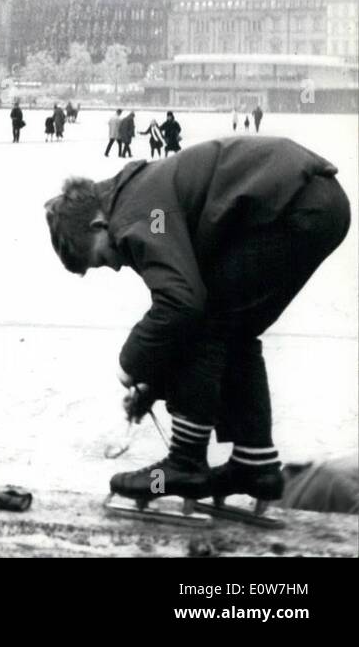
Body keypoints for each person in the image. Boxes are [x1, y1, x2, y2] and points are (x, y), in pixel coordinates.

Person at [43, 136, 350, 511]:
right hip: (311, 204)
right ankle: (255, 465)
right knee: (231, 328)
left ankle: (184, 463)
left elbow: (181, 304)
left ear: (97, 224)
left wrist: (131, 364)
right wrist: (152, 385)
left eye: (103, 259)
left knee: (207, 320)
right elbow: (185, 304)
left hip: (296, 206)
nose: (117, 265)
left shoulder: (140, 214)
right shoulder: (143, 202)